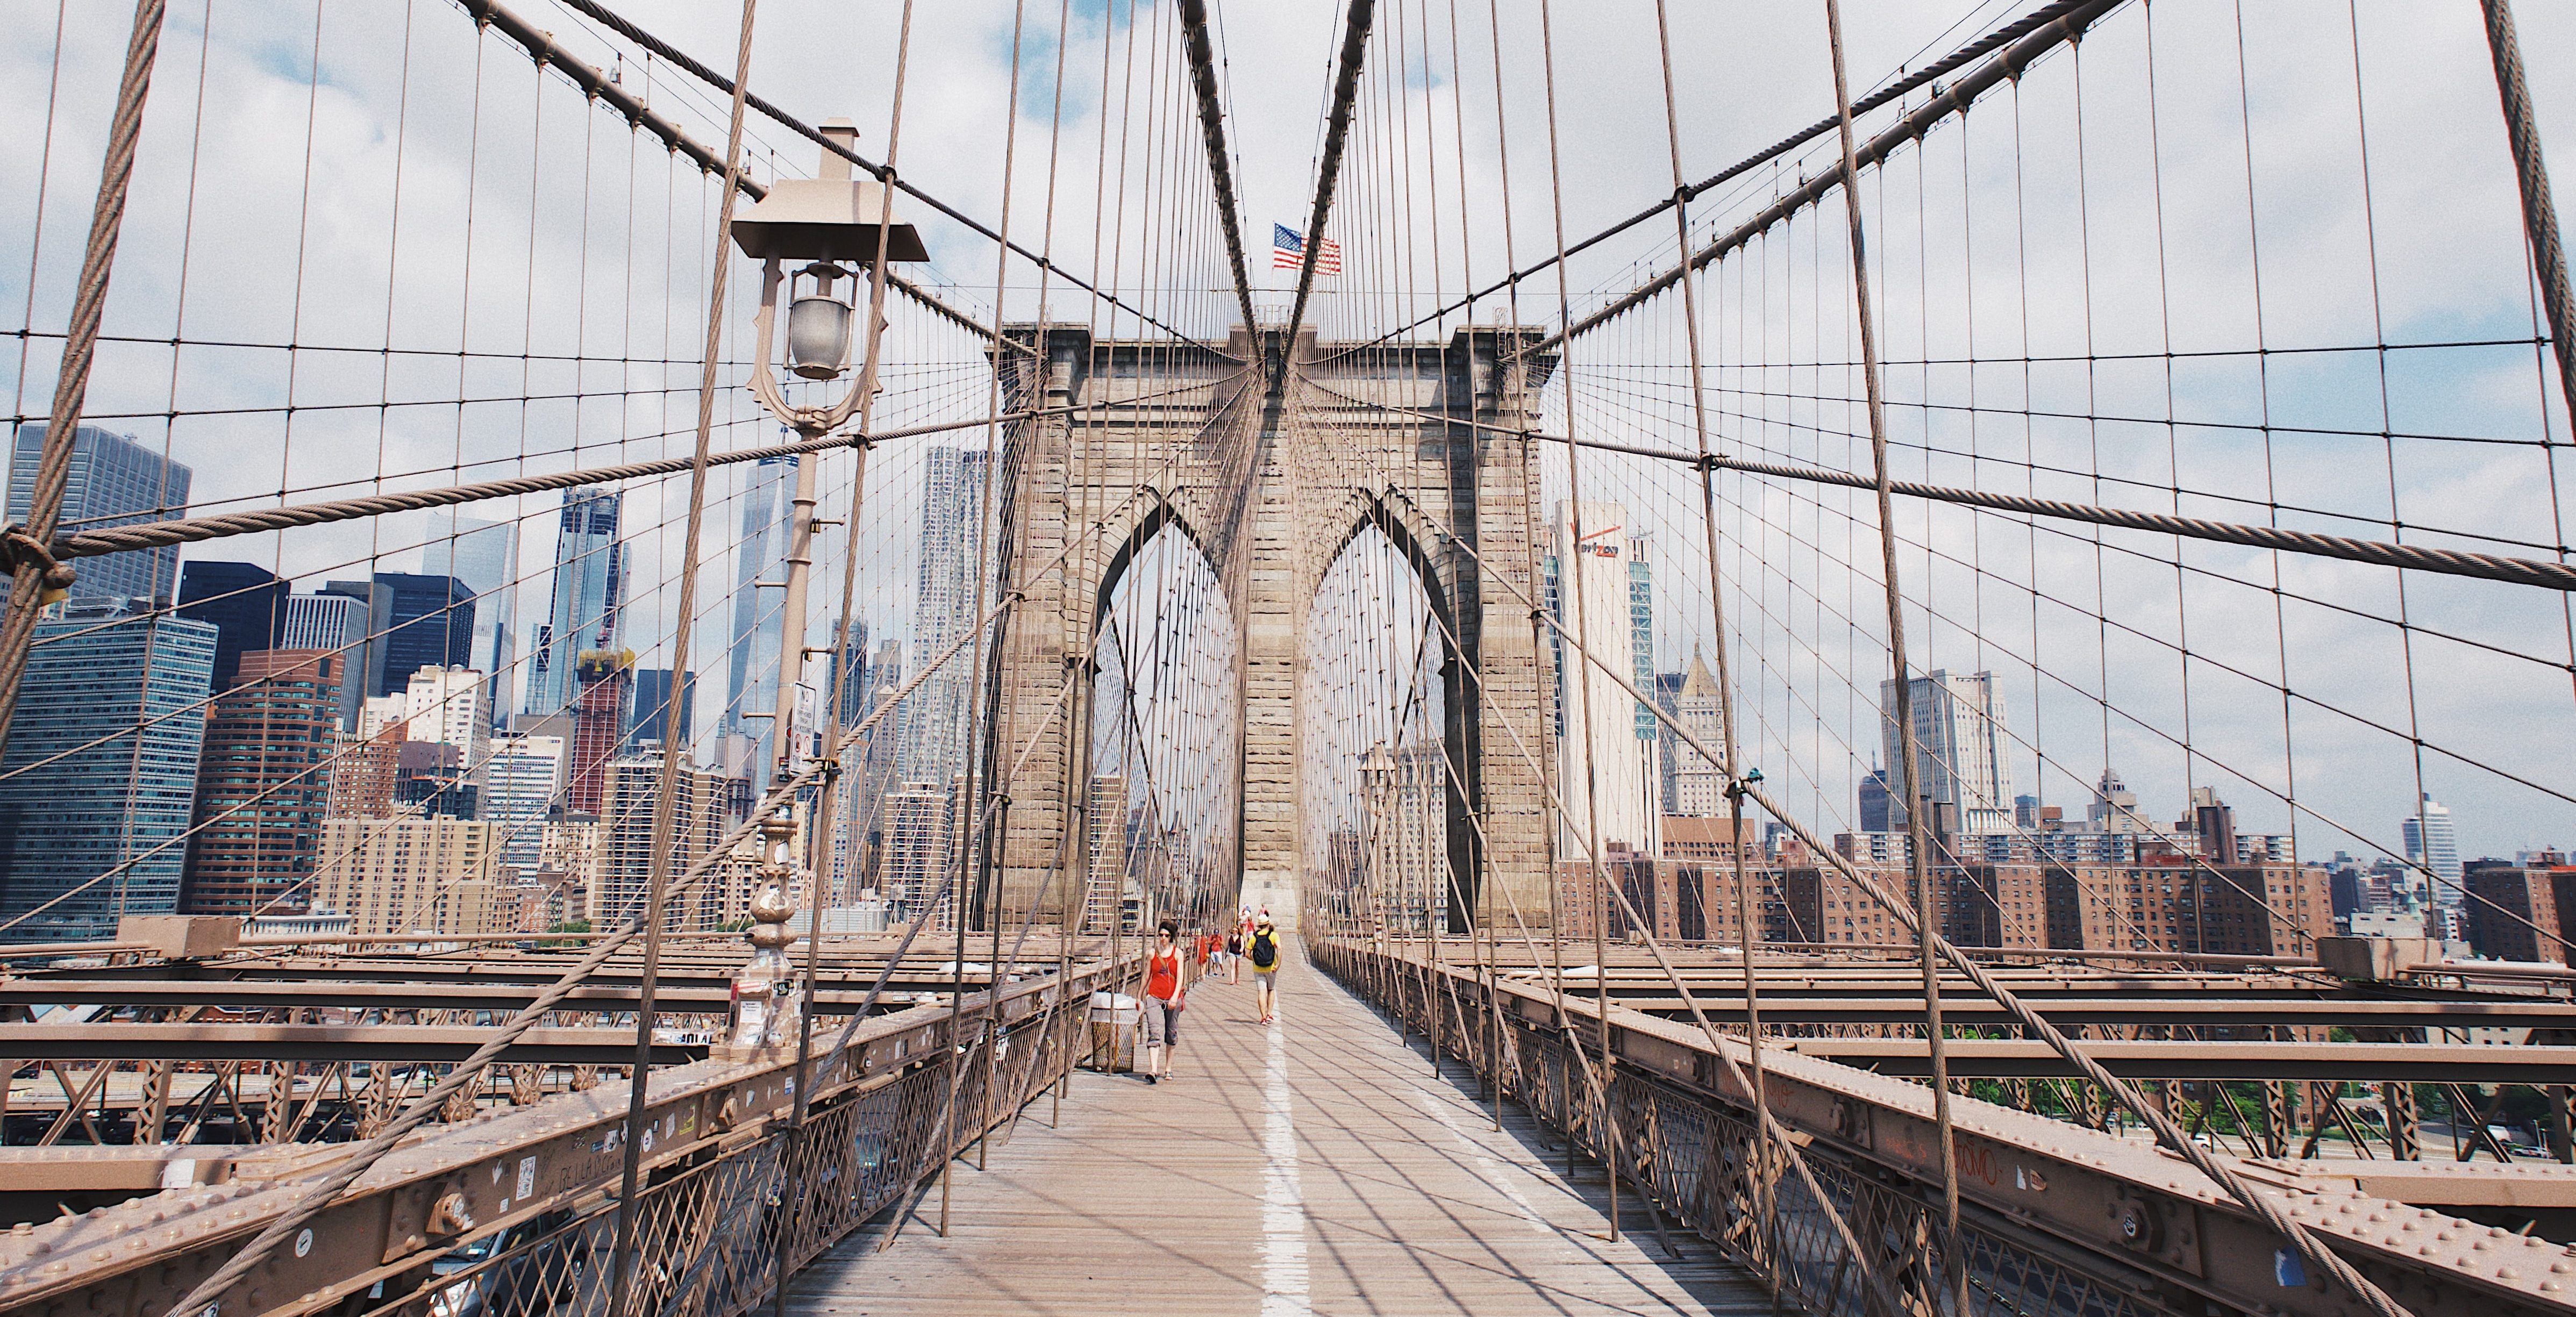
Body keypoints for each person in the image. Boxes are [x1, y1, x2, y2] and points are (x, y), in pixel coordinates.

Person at [1141, 919, 1186, 1083]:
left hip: (1173, 997)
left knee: (1171, 1033)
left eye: (1166, 935)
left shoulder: (1179, 954)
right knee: (1154, 1032)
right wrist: (1140, 995)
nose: (1163, 938)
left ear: (1171, 937)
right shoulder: (1152, 953)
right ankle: (1153, 1070)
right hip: (1154, 995)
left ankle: (1168, 1068)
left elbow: (1180, 977)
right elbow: (1146, 975)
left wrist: (1175, 996)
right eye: (1160, 935)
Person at [1246, 912, 1282, 1025]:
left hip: (1258, 969)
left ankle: (1263, 1017)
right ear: (1268, 924)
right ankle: (1270, 1014)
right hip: (1271, 967)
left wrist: (1255, 960)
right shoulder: (1274, 935)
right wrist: (1278, 964)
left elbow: (1247, 954)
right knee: (1270, 989)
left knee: (1261, 991)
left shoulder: (1253, 937)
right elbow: (1280, 949)